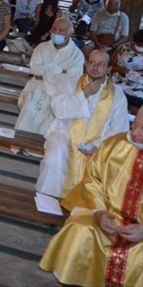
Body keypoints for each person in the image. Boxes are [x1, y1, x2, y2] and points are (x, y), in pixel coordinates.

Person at [39, 110, 142, 286]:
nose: (136, 133)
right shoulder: (113, 146)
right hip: (109, 220)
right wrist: (100, 213)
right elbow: (92, 181)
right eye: (135, 125)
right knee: (79, 230)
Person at [35, 49, 130, 199]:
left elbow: (119, 130)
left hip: (97, 145)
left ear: (109, 69)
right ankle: (47, 200)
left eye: (101, 64)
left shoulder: (117, 95)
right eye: (92, 62)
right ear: (86, 64)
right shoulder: (69, 82)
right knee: (53, 159)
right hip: (63, 136)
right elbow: (58, 110)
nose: (95, 67)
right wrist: (83, 94)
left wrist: (97, 145)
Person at [15, 18, 85, 135]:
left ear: (69, 33)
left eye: (61, 30)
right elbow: (35, 70)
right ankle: (22, 143)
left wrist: (46, 72)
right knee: (29, 110)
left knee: (51, 120)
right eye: (54, 29)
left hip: (60, 93)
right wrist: (59, 71)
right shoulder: (41, 48)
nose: (56, 32)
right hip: (37, 88)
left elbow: (71, 79)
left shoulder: (77, 55)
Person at [111, 29, 143, 109]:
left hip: (138, 83)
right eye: (138, 44)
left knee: (138, 101)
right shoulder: (124, 47)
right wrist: (120, 69)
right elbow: (111, 64)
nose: (140, 46)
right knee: (117, 93)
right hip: (120, 78)